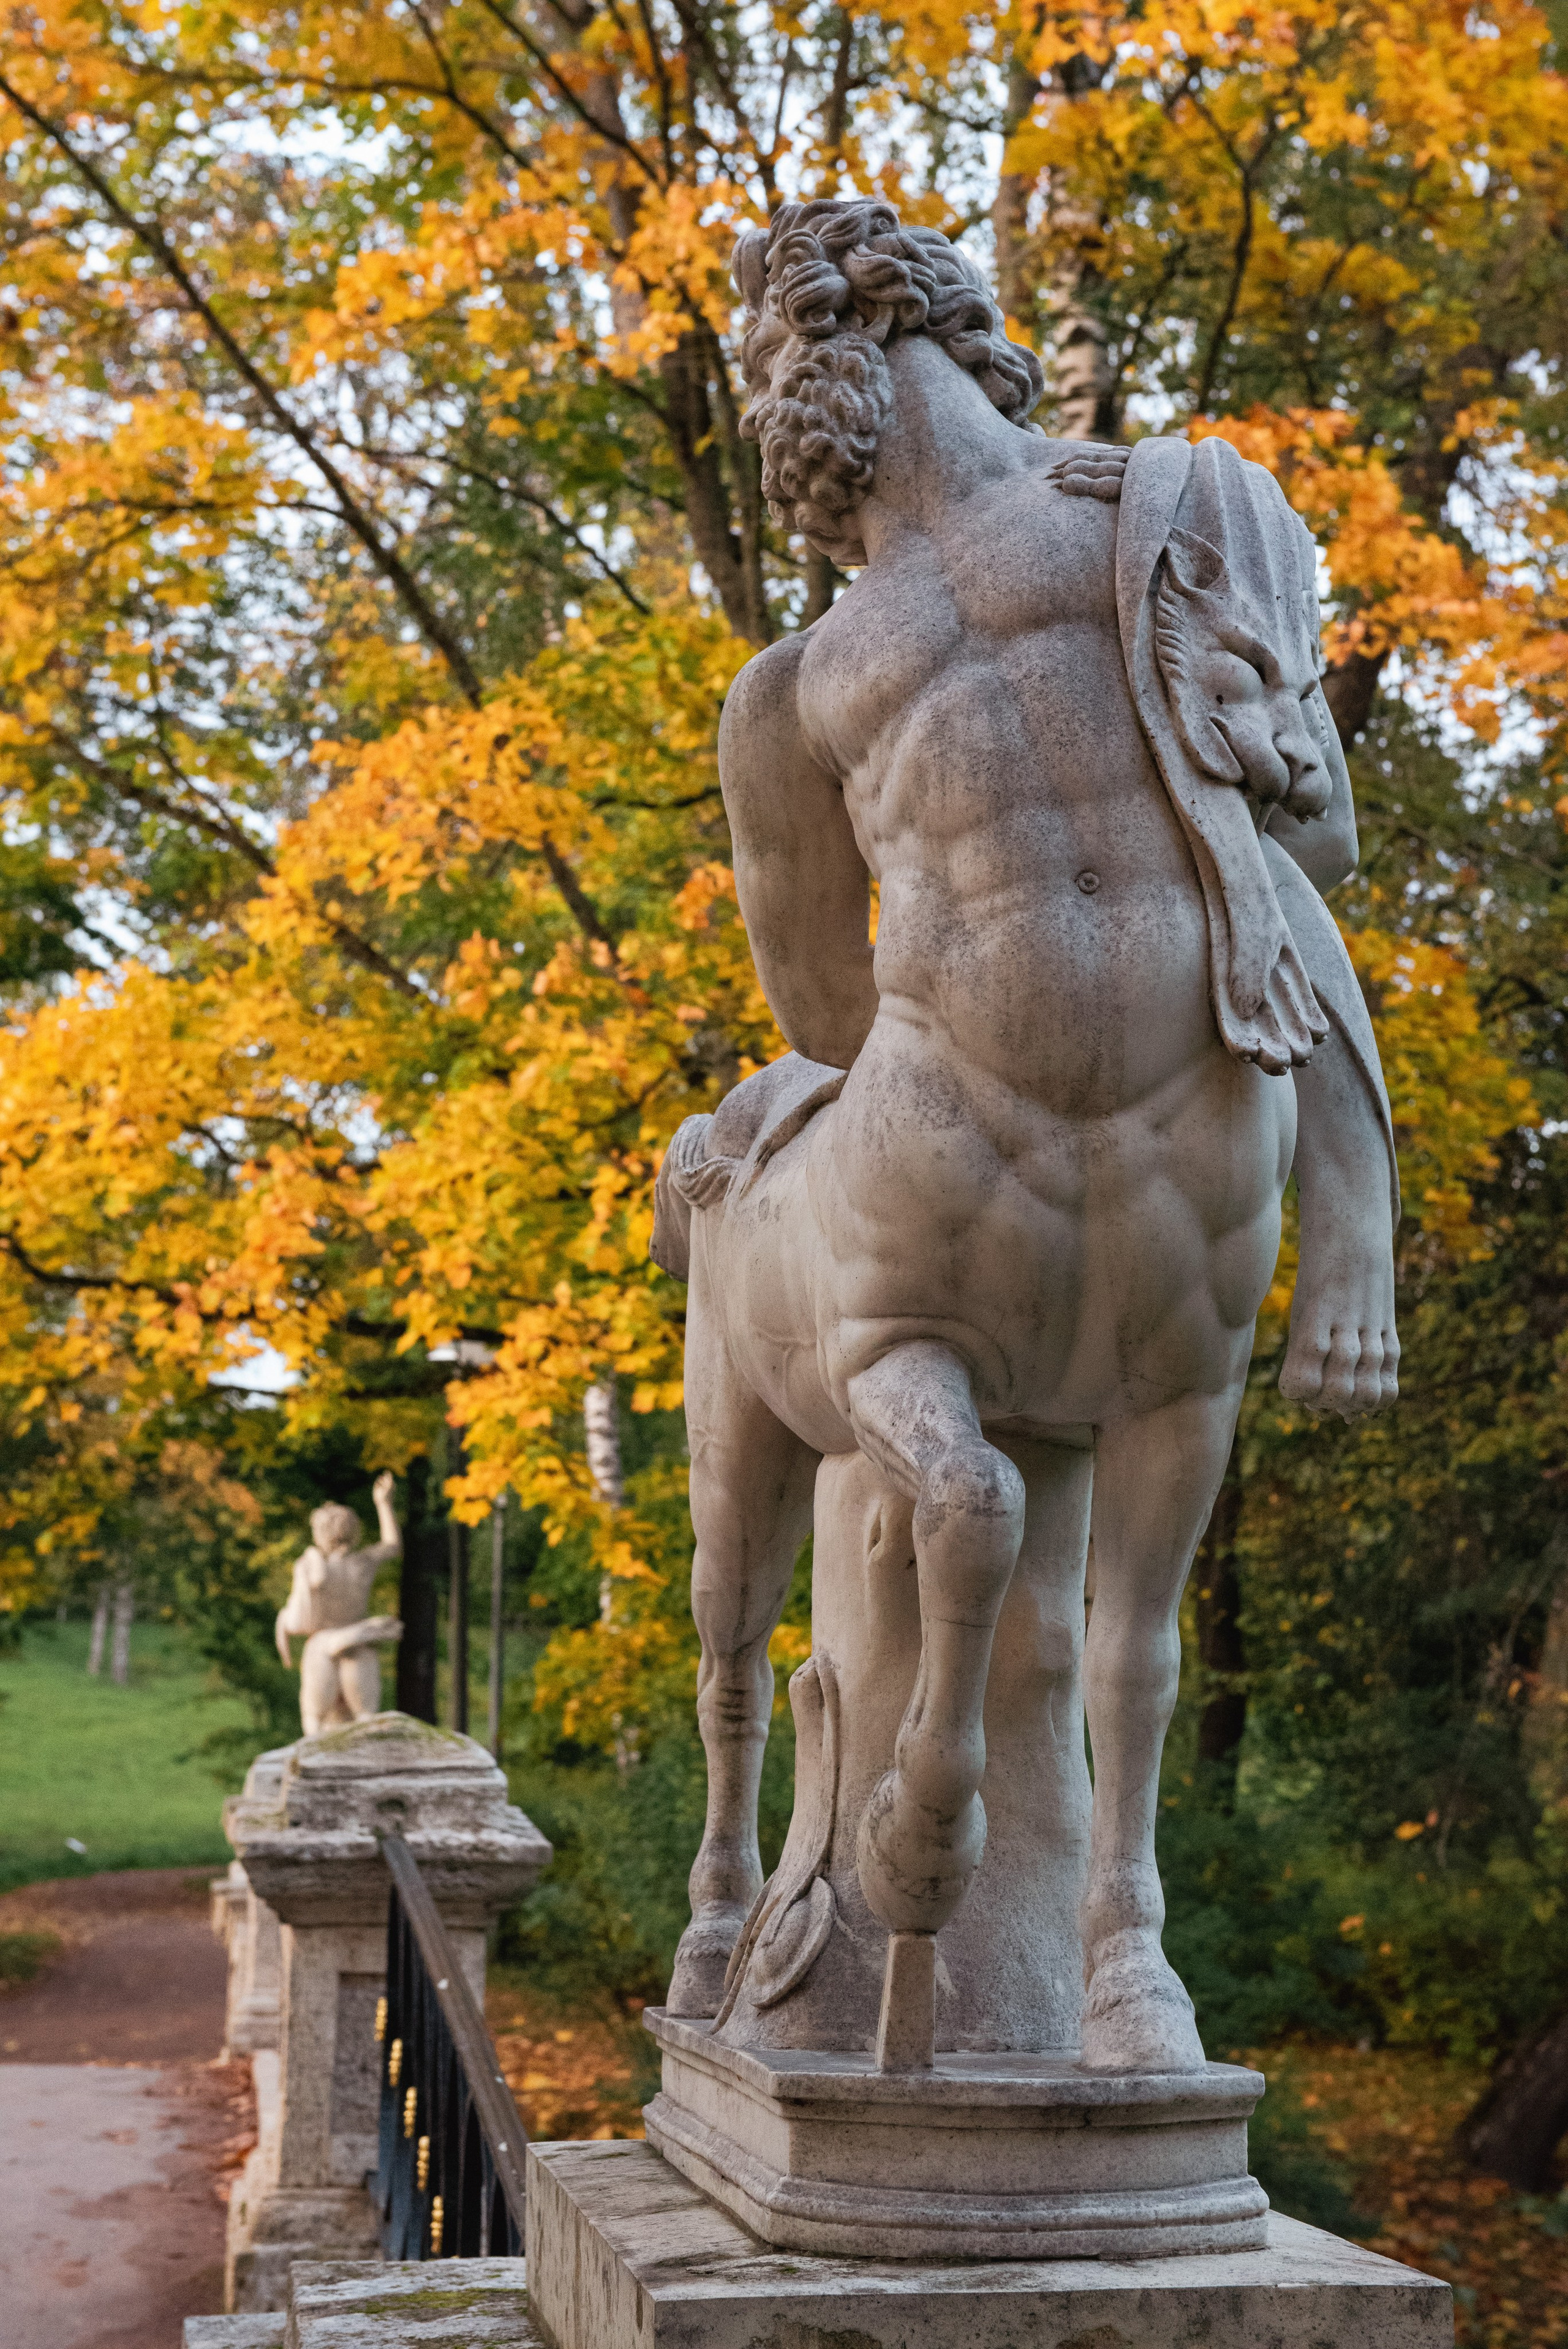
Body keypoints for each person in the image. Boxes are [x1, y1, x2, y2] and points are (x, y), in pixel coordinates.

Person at [654, 197, 1399, 2067]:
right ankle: (817, 1877)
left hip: (1170, 1147)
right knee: (955, 1524)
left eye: (771, 356)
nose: (766, 406)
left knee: (1124, 1623)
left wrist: (1350, 1219)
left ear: (867, 329)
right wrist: (794, 1101)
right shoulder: (799, 686)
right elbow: (821, 1000)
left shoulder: (1170, 507)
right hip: (944, 1141)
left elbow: (1303, 854)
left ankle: (1123, 1941)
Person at [274, 1473, 403, 1736]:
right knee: (365, 1723)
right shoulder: (363, 1564)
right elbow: (392, 1545)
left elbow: (299, 1620)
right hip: (359, 1645)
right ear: (354, 1533)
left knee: (316, 1725)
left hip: (321, 1648)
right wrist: (384, 1504)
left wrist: (283, 1620)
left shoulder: (311, 1568)